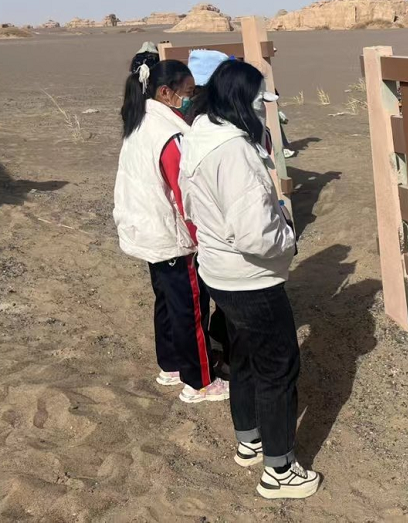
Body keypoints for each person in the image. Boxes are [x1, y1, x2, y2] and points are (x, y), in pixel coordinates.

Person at [180, 60, 321, 499]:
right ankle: (279, 471)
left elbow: (191, 206)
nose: (264, 109)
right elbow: (255, 234)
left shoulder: (201, 133)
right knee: (278, 366)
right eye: (260, 100)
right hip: (250, 278)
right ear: (241, 98)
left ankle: (250, 438)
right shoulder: (234, 151)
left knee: (241, 356)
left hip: (220, 271)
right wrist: (287, 240)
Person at [113, 56, 229, 403]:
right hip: (171, 237)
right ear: (166, 92)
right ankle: (200, 381)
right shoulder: (170, 133)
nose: (191, 98)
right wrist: (200, 236)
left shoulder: (140, 121)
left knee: (167, 302)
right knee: (190, 308)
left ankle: (171, 365)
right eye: (188, 92)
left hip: (147, 231)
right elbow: (185, 191)